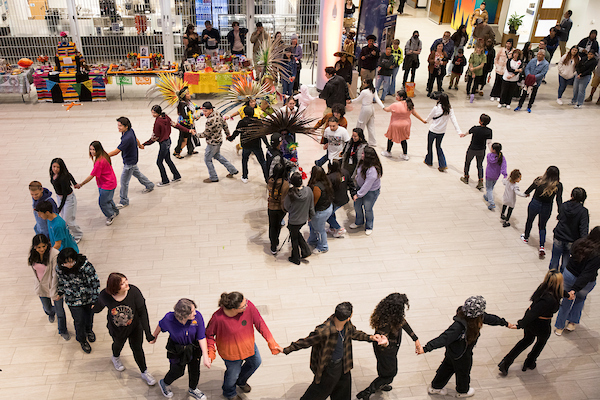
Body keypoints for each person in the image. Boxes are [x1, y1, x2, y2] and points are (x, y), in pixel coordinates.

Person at [280, 302, 388, 400]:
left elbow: (354, 333)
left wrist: (371, 338)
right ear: (349, 317)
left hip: (344, 363)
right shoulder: (324, 330)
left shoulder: (347, 325)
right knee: (319, 391)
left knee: (343, 392)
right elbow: (306, 342)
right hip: (329, 367)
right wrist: (285, 350)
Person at [419, 296, 514, 398]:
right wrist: (426, 348)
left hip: (453, 351)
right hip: (462, 354)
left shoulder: (474, 317)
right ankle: (462, 391)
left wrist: (505, 323)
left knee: (447, 367)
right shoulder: (459, 326)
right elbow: (443, 338)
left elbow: (491, 319)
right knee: (463, 372)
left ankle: (435, 387)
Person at [206, 292, 282, 400]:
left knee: (255, 362)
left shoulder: (249, 306)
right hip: (230, 353)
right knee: (232, 376)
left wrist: (271, 341)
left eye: (245, 303)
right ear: (233, 309)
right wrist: (210, 352)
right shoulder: (218, 318)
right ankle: (229, 392)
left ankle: (241, 381)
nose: (247, 306)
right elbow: (208, 335)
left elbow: (259, 322)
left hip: (249, 346)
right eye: (243, 306)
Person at [498, 270, 567, 376]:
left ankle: (506, 362)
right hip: (541, 323)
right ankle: (530, 361)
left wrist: (568, 295)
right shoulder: (550, 299)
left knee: (527, 340)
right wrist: (519, 325)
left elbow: (560, 292)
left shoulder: (543, 287)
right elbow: (534, 312)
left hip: (531, 320)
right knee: (541, 341)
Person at [92, 273, 156, 386]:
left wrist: (148, 333)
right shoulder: (105, 295)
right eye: (122, 283)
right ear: (114, 287)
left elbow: (143, 313)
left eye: (126, 280)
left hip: (135, 327)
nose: (127, 284)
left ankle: (144, 371)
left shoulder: (134, 292)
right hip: (117, 330)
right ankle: (115, 357)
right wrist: (89, 309)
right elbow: (98, 307)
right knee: (117, 345)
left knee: (137, 349)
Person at [356, 293, 421, 400]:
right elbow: (382, 337)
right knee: (390, 374)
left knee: (383, 368)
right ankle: (367, 392)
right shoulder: (385, 322)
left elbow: (402, 322)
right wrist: (385, 343)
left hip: (390, 348)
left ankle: (381, 384)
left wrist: (415, 339)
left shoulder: (393, 316)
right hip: (385, 350)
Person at [151, 298, 211, 400]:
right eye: (192, 312)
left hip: (193, 348)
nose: (195, 313)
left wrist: (206, 356)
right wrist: (154, 336)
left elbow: (201, 337)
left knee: (195, 370)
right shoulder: (169, 318)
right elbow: (161, 325)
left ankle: (193, 388)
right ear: (183, 315)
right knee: (177, 371)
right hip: (176, 348)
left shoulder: (198, 317)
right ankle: (164, 383)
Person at [554, 226, 600, 336]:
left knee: (566, 300)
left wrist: (572, 289)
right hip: (586, 283)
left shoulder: (579, 242)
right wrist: (575, 289)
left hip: (569, 274)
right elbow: (587, 274)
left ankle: (559, 327)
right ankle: (572, 322)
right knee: (580, 299)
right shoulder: (597, 254)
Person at [56, 247, 100, 354]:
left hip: (88, 298)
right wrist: (60, 292)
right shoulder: (60, 269)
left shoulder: (86, 267)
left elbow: (95, 282)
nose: (69, 265)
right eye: (65, 263)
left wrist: (95, 300)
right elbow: (61, 282)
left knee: (89, 317)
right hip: (72, 300)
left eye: (71, 262)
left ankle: (89, 330)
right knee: (79, 320)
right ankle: (82, 339)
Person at [28, 234, 69, 340]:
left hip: (53, 287)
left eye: (44, 246)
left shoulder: (54, 254)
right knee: (47, 308)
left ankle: (63, 330)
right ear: (34, 247)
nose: (42, 249)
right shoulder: (33, 254)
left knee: (60, 311)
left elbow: (55, 275)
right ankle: (51, 313)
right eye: (39, 247)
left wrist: (55, 292)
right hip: (41, 287)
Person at [108, 117, 154, 209]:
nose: (118, 127)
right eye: (118, 125)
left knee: (124, 182)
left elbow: (116, 151)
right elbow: (136, 139)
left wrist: (103, 155)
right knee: (138, 174)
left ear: (126, 126)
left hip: (129, 162)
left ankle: (124, 201)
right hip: (132, 159)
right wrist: (140, 145)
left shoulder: (127, 138)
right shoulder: (130, 131)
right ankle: (149, 185)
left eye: (120, 126)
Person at [522, 166, 563, 258]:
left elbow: (530, 189)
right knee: (542, 226)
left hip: (535, 203)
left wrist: (526, 193)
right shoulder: (558, 185)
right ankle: (541, 246)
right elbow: (559, 200)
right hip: (547, 207)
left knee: (530, 220)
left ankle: (526, 237)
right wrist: (560, 212)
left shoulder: (539, 180)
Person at [74, 141, 119, 226]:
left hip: (106, 185)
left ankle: (110, 215)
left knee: (103, 202)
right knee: (108, 199)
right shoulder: (104, 155)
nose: (92, 152)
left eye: (94, 149)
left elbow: (91, 176)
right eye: (90, 149)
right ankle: (115, 211)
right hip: (111, 181)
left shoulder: (99, 161)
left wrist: (81, 184)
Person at [549, 187, 589, 272]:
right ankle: (562, 281)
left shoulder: (564, 205)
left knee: (554, 259)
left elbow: (559, 217)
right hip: (571, 239)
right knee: (566, 262)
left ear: (572, 195)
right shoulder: (583, 211)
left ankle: (551, 279)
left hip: (559, 235)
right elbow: (583, 229)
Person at [144, 105, 184, 187]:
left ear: (158, 113)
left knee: (159, 162)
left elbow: (155, 137)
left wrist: (145, 144)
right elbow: (175, 125)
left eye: (154, 113)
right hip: (168, 141)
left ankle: (165, 180)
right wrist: (187, 130)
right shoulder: (166, 117)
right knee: (168, 160)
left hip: (163, 144)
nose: (152, 114)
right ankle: (176, 175)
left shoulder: (158, 122)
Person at [198, 101, 239, 183]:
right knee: (217, 156)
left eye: (206, 111)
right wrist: (228, 134)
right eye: (203, 111)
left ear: (211, 110)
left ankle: (213, 177)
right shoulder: (218, 113)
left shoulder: (210, 120)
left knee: (207, 160)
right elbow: (225, 125)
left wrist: (195, 134)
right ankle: (233, 170)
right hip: (219, 141)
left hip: (213, 143)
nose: (204, 113)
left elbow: (206, 134)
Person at [381, 89, 426, 160]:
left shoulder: (395, 105)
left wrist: (382, 106)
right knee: (403, 139)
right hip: (406, 125)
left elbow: (386, 109)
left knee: (390, 137)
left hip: (395, 124)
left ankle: (388, 151)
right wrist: (422, 120)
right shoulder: (409, 104)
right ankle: (405, 154)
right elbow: (414, 113)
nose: (396, 97)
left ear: (401, 97)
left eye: (397, 96)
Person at [227, 106, 268, 183]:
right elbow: (263, 134)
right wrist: (267, 145)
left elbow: (236, 132)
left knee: (245, 160)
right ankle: (267, 179)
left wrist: (230, 138)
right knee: (262, 162)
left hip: (246, 145)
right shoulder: (258, 122)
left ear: (245, 114)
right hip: (256, 145)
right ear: (253, 113)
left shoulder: (242, 122)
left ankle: (245, 176)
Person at [424, 93, 461, 172]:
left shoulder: (436, 108)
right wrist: (459, 131)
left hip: (433, 130)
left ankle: (429, 161)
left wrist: (426, 121)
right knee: (438, 146)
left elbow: (429, 117)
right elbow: (454, 120)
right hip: (442, 131)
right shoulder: (449, 109)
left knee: (430, 145)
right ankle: (442, 164)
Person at [49, 158, 82, 243]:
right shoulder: (53, 174)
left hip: (68, 199)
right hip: (60, 197)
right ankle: (69, 233)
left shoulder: (63, 178)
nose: (55, 169)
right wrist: (74, 183)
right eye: (54, 166)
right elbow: (69, 175)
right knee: (64, 219)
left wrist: (59, 208)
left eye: (58, 167)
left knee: (68, 220)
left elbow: (64, 195)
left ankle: (78, 234)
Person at [284, 172, 314, 264]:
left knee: (294, 239)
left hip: (293, 220)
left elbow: (286, 207)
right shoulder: (309, 190)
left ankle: (296, 257)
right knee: (296, 233)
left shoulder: (290, 193)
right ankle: (305, 251)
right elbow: (311, 205)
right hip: (304, 219)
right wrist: (311, 216)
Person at [350, 147, 382, 235]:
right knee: (357, 206)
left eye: (363, 154)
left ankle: (369, 226)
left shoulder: (372, 171)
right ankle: (359, 221)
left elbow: (367, 186)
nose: (361, 155)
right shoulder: (362, 163)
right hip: (360, 188)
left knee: (368, 209)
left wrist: (358, 194)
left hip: (370, 192)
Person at [459, 114, 493, 191]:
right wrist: (492, 151)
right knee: (480, 165)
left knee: (467, 163)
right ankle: (480, 181)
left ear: (480, 121)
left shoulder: (475, 128)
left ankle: (466, 177)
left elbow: (468, 132)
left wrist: (463, 135)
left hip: (472, 149)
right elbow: (489, 142)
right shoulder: (489, 131)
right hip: (481, 150)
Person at [307, 166, 334, 253]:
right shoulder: (326, 181)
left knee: (319, 230)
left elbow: (313, 203)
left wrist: (309, 214)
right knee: (312, 225)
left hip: (320, 212)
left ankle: (323, 246)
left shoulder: (316, 188)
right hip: (328, 207)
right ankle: (312, 240)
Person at [326, 160, 355, 238]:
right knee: (332, 212)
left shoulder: (329, 177)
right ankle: (332, 228)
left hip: (335, 200)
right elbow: (351, 183)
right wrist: (353, 194)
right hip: (344, 198)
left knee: (327, 215)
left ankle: (339, 229)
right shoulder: (345, 172)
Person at [352, 79, 384, 147]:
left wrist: (351, 101)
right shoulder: (373, 90)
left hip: (365, 108)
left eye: (364, 82)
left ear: (368, 84)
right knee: (371, 126)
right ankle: (373, 142)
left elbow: (358, 99)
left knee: (360, 124)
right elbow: (377, 99)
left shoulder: (364, 92)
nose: (363, 83)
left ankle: (359, 140)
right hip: (371, 108)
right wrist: (383, 107)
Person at [267, 163, 289, 254]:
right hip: (280, 209)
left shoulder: (270, 180)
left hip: (271, 207)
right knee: (278, 225)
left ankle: (273, 244)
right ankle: (276, 240)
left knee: (272, 226)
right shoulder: (285, 184)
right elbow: (284, 199)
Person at [174, 86, 200, 158]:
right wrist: (195, 117)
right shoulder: (183, 105)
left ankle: (190, 150)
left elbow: (194, 107)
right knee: (183, 140)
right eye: (188, 94)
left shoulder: (188, 102)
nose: (189, 95)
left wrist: (202, 108)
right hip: (184, 124)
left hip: (189, 124)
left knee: (190, 138)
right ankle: (177, 152)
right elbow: (186, 116)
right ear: (184, 96)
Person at [482, 143, 507, 211]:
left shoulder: (489, 155)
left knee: (489, 188)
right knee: (491, 186)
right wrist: (505, 175)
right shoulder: (501, 157)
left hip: (489, 174)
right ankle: (487, 196)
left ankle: (491, 202)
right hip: (496, 175)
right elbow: (504, 166)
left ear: (493, 149)